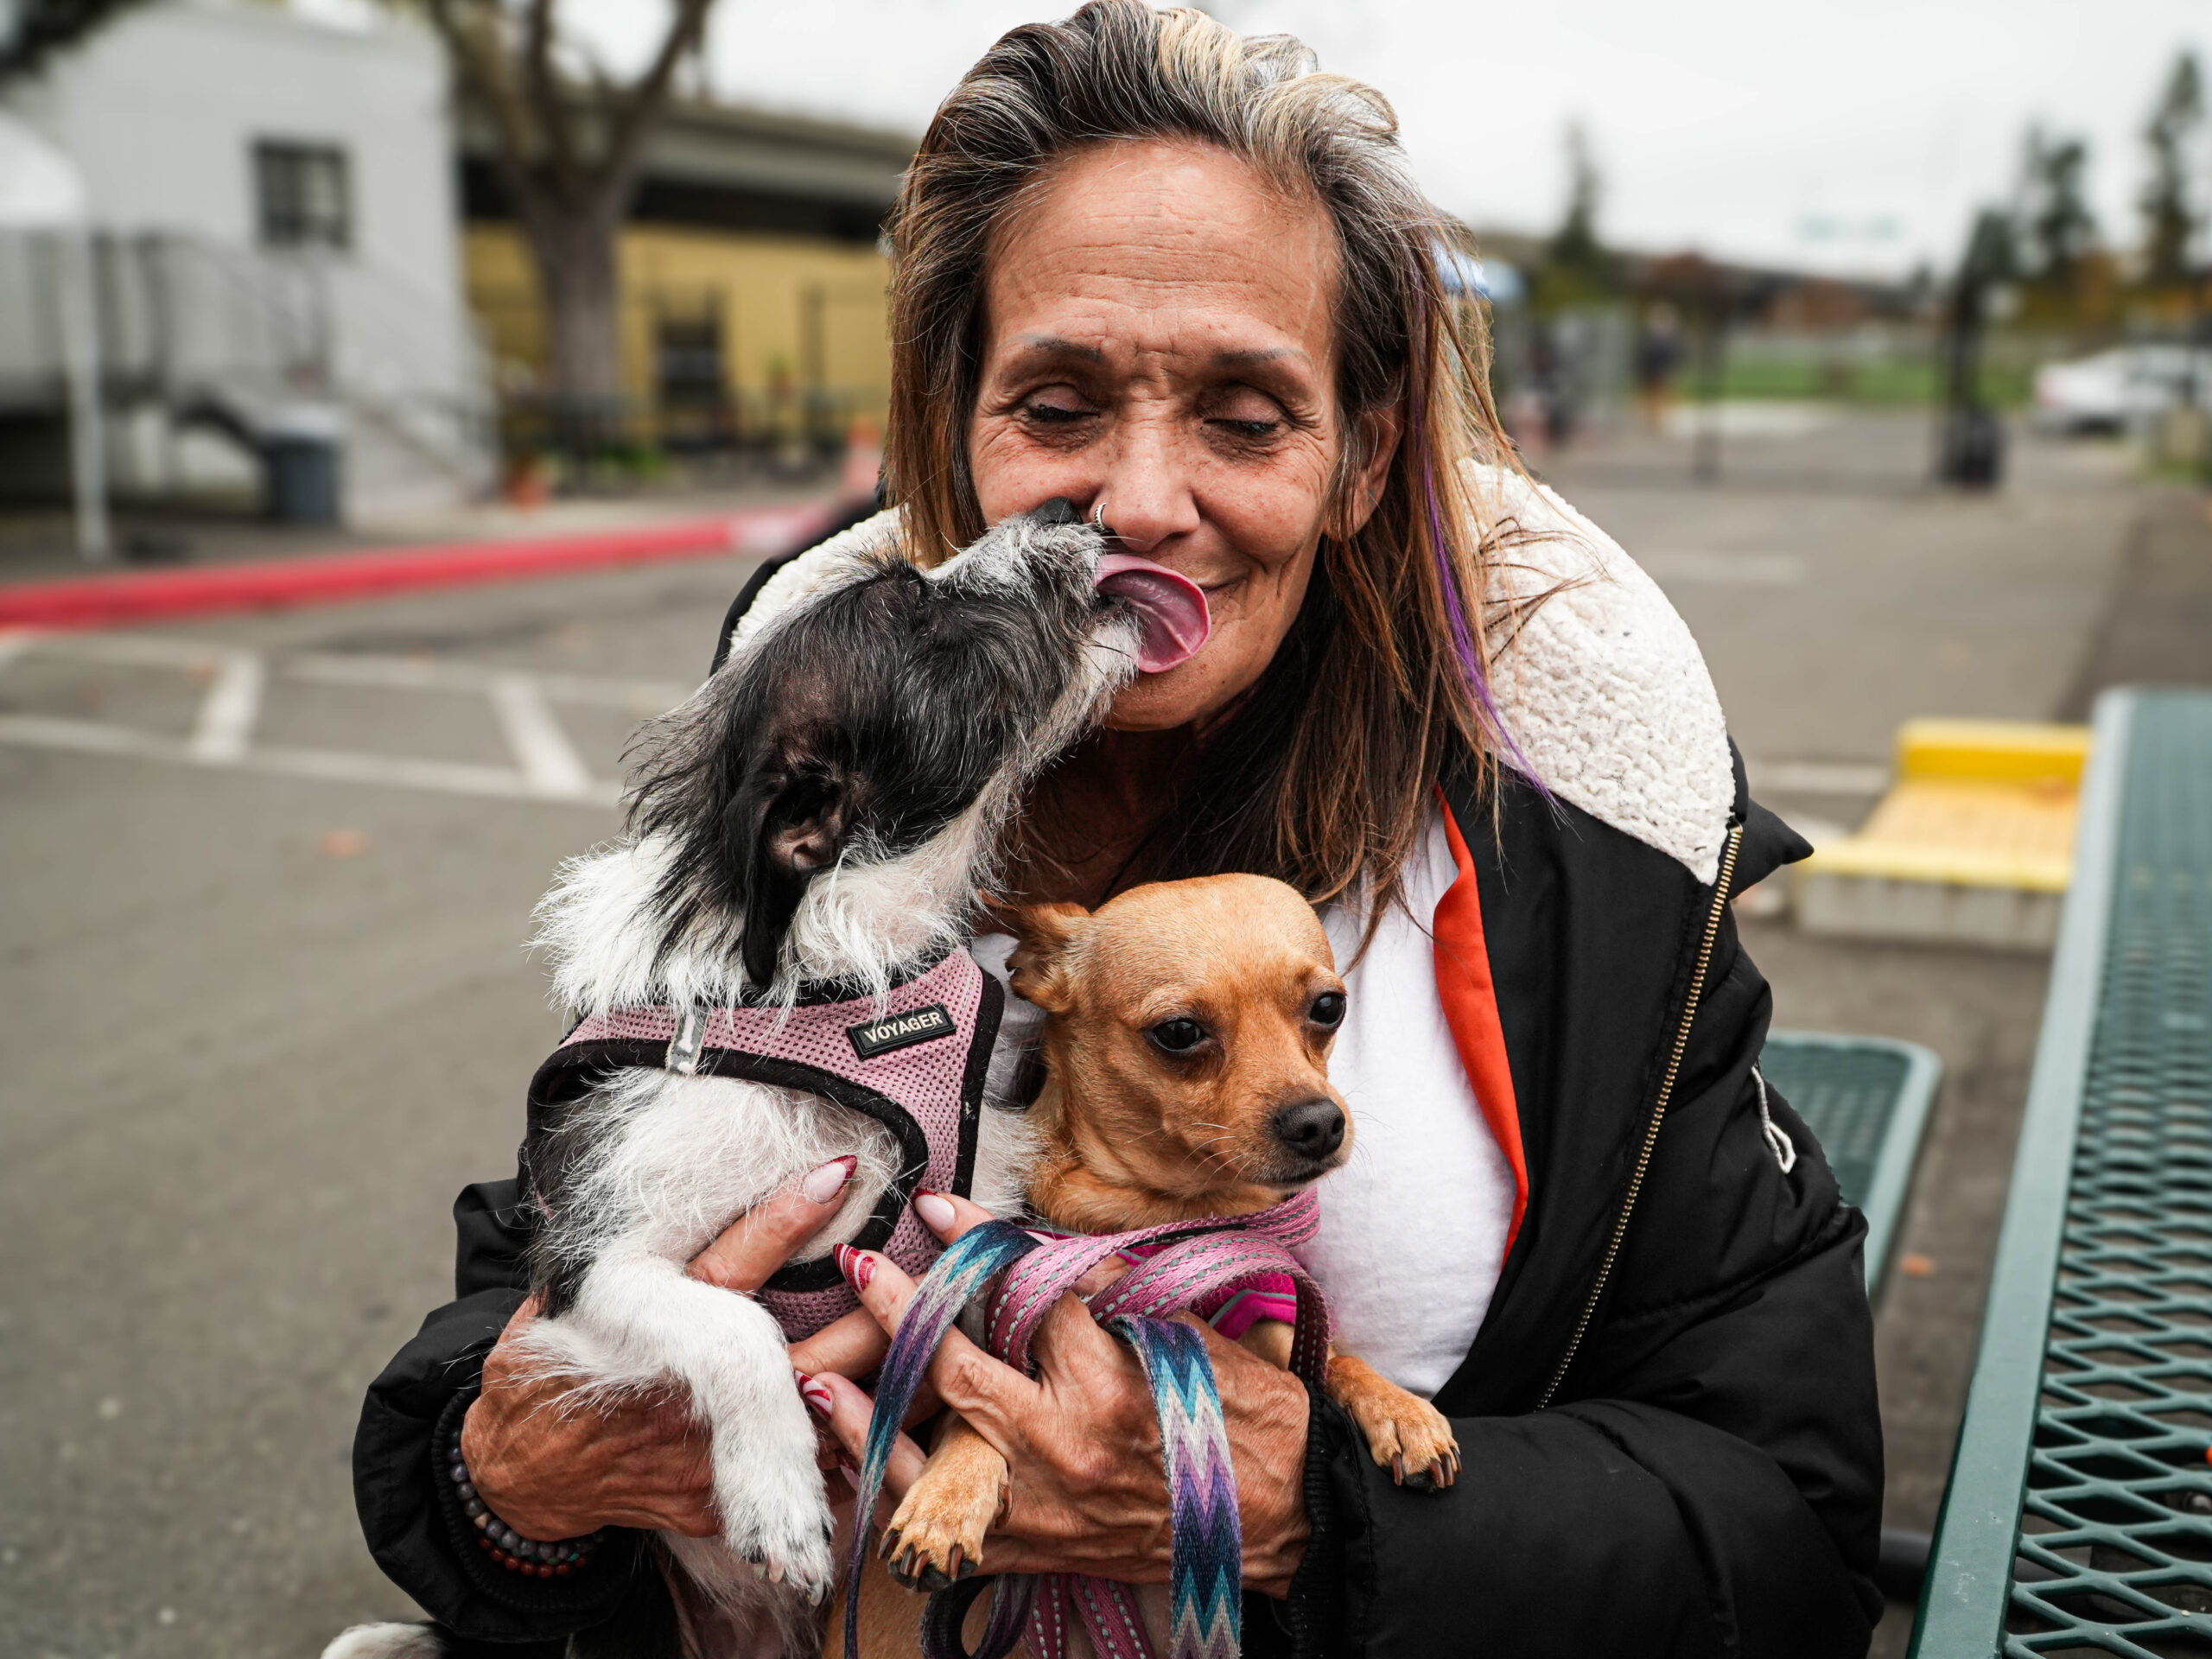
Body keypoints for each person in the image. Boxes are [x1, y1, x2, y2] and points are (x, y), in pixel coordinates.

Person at [349, 6, 1883, 1656]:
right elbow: (512, 1346)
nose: (1145, 503)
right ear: (958, 428)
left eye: (1244, 414)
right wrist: (512, 1481)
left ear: (1363, 457)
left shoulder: (1579, 868)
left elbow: (1784, 1522)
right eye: (1060, 404)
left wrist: (1302, 1513)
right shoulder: (819, 821)